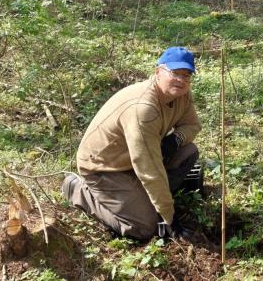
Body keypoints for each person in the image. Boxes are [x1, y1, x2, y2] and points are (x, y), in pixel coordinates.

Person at [62, 47, 201, 240]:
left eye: (186, 75)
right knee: (145, 227)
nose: (181, 80)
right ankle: (78, 191)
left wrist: (175, 140)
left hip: (136, 160)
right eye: (175, 73)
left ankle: (150, 197)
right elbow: (149, 169)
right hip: (105, 168)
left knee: (188, 151)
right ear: (158, 72)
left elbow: (193, 125)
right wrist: (169, 216)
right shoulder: (143, 109)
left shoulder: (181, 95)